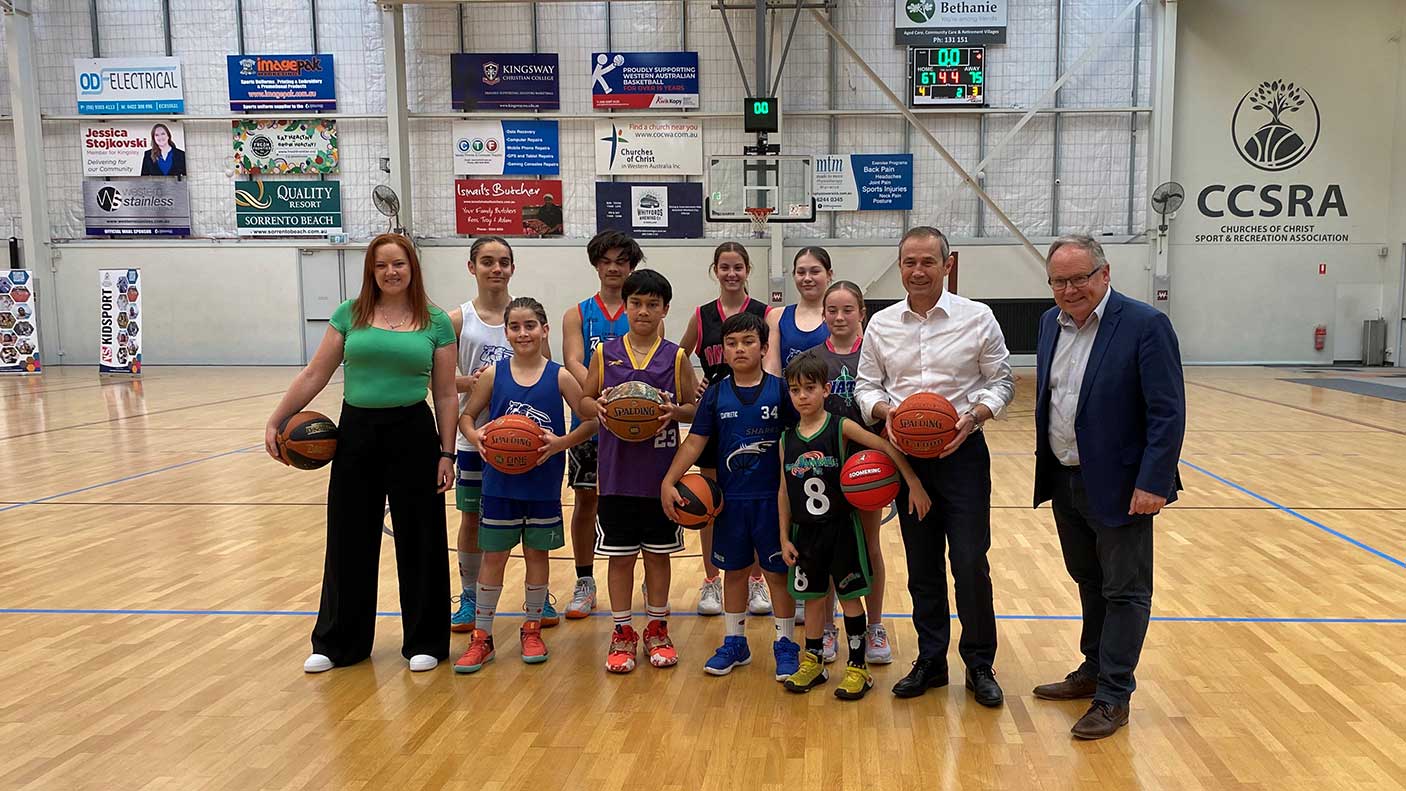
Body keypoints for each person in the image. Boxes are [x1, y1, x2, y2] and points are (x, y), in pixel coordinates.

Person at [264, 233, 457, 674]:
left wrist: (447, 453)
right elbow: (316, 373)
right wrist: (277, 419)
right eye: (382, 265)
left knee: (422, 538)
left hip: (413, 430)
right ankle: (338, 642)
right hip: (357, 432)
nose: (392, 271)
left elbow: (445, 394)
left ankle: (426, 640)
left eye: (399, 264)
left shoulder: (435, 321)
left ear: (413, 268)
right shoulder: (349, 315)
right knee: (349, 537)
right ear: (371, 271)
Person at [1032, 234, 1185, 739]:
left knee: (1125, 590)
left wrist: (1153, 482)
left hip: (1124, 486)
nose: (1070, 288)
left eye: (1080, 277)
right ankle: (1093, 669)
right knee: (1089, 580)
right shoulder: (1048, 325)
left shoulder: (1145, 324)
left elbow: (1167, 412)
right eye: (1060, 280)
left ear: (1105, 273)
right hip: (1066, 476)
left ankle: (1114, 696)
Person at [854, 226, 1014, 705]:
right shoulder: (881, 324)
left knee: (969, 563)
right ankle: (930, 660)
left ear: (947, 265)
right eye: (909, 262)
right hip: (907, 459)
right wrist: (890, 414)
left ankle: (980, 665)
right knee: (922, 566)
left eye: (928, 262)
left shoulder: (978, 317)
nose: (918, 271)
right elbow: (866, 388)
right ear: (900, 267)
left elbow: (1002, 381)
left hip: (963, 453)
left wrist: (974, 416)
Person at [453, 298, 599, 674]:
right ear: (506, 332)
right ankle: (481, 638)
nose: (523, 333)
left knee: (537, 557)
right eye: (515, 327)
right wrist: (478, 436)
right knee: (495, 558)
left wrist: (561, 444)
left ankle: (531, 629)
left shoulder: (561, 376)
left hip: (542, 485)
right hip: (499, 485)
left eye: (530, 325)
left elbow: (592, 420)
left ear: (544, 330)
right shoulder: (492, 375)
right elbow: (466, 415)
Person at [778, 351, 930, 700]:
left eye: (809, 388)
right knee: (814, 601)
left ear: (826, 390)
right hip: (805, 534)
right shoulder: (787, 439)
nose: (802, 396)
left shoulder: (840, 426)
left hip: (841, 529)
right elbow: (783, 491)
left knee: (849, 599)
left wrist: (913, 482)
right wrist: (784, 536)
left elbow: (885, 446)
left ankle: (858, 667)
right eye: (795, 390)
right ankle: (813, 661)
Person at [661, 312, 798, 681]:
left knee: (776, 575)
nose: (739, 349)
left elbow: (799, 440)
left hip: (773, 500)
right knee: (733, 573)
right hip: (731, 501)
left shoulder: (781, 391)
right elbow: (695, 440)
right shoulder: (716, 395)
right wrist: (669, 480)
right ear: (723, 350)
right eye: (732, 343)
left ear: (764, 347)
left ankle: (786, 644)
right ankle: (735, 642)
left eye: (748, 342)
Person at [580, 269, 697, 673]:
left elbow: (695, 411)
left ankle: (658, 628)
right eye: (636, 303)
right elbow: (583, 400)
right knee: (620, 558)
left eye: (652, 304)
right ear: (624, 307)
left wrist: (674, 411)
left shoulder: (676, 356)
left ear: (665, 309)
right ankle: (622, 631)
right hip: (615, 475)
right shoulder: (604, 353)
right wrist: (593, 406)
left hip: (659, 476)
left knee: (658, 556)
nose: (643, 311)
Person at [447, 237, 559, 633]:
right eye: (487, 261)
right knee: (473, 519)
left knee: (532, 526)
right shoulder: (458, 319)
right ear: (471, 266)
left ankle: (538, 597)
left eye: (504, 262)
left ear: (513, 267)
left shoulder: (524, 317)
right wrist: (471, 383)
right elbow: (439, 381)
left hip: (528, 441)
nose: (496, 268)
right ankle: (470, 597)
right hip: (478, 439)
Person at [679, 242, 773, 618]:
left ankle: (754, 581)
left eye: (737, 267)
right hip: (715, 416)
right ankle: (710, 580)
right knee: (710, 498)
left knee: (754, 498)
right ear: (714, 270)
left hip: (755, 413)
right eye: (724, 267)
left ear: (748, 269)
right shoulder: (702, 316)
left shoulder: (766, 313)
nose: (731, 274)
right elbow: (677, 356)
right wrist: (693, 388)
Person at [807, 280, 892, 664]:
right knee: (824, 551)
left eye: (847, 310)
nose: (839, 317)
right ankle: (827, 628)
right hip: (823, 467)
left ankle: (875, 626)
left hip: (868, 466)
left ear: (863, 314)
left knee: (869, 546)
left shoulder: (877, 357)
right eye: (832, 310)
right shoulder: (810, 359)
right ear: (823, 314)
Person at [560, 230, 642, 620]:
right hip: (591, 420)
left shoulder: (642, 308)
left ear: (631, 266)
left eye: (621, 261)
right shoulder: (577, 313)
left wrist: (629, 396)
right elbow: (574, 361)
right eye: (606, 261)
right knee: (586, 500)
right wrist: (604, 391)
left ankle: (643, 575)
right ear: (596, 264)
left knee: (636, 501)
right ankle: (584, 580)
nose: (613, 268)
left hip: (636, 422)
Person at [764, 246, 832, 375]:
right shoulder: (776, 316)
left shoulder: (841, 317)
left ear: (829, 275)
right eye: (801, 272)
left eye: (815, 272)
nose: (807, 278)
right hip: (788, 393)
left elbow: (855, 360)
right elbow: (771, 370)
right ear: (793, 275)